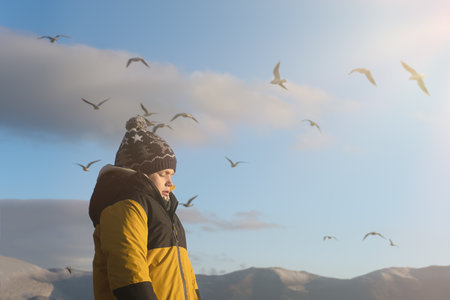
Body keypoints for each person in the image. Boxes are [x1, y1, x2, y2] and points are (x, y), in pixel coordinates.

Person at [88, 115, 201, 300]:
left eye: (171, 174)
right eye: (163, 173)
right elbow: (129, 275)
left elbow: (187, 276)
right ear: (142, 173)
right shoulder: (125, 207)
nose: (170, 182)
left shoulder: (167, 213)